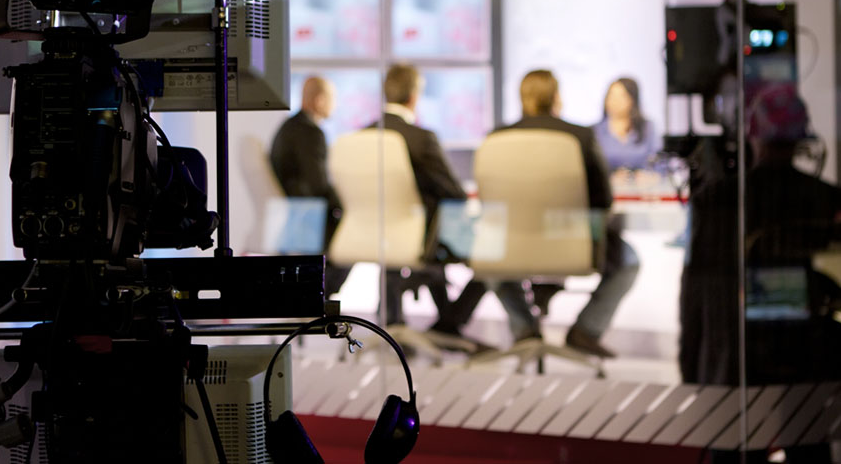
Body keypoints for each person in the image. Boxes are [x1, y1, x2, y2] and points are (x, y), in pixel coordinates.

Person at [680, 85, 841, 463]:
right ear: (803, 138)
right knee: (810, 449)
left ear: (751, 133)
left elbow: (696, 293)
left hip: (733, 356)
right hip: (807, 357)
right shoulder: (828, 200)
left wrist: (691, 364)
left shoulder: (714, 200)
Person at [435, 70, 639, 358]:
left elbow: (488, 201)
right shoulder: (579, 136)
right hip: (569, 243)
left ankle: (524, 328)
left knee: (488, 249)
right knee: (628, 262)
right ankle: (586, 330)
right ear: (557, 98)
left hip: (511, 243)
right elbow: (602, 200)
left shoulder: (496, 138)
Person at [369, 63, 467, 326]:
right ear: (414, 96)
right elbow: (454, 193)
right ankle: (450, 323)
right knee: (454, 230)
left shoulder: (362, 136)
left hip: (370, 233)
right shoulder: (420, 138)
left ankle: (442, 323)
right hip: (415, 235)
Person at [270, 76, 347, 295]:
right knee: (356, 231)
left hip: (292, 217)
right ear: (320, 100)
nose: (335, 105)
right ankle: (319, 298)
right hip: (308, 219)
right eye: (332, 99)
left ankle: (314, 297)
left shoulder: (289, 128)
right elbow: (318, 185)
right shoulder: (310, 132)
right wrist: (345, 206)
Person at [593, 77, 660, 172]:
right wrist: (611, 175)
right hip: (609, 185)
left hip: (642, 185)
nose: (614, 101)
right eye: (611, 96)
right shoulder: (595, 131)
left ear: (632, 100)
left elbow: (658, 161)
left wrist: (649, 174)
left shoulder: (647, 127)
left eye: (621, 96)